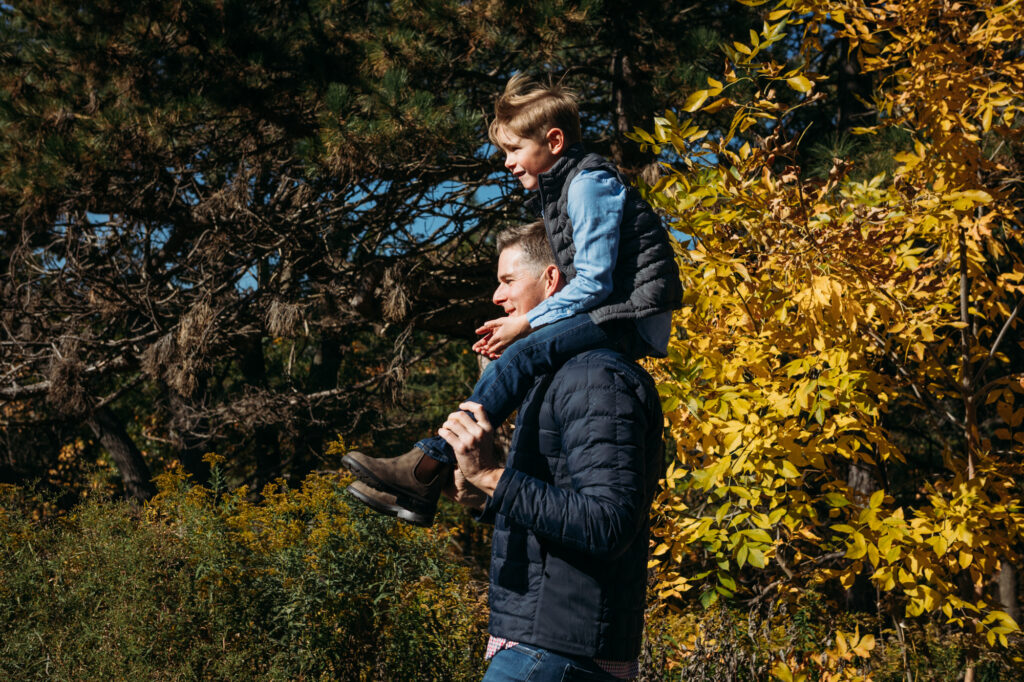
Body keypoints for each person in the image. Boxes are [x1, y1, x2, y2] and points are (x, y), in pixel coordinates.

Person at [343, 73, 680, 527]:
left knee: (523, 350)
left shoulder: (587, 185)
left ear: (554, 141)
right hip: (613, 309)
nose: (506, 162)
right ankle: (427, 477)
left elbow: (597, 282)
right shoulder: (561, 191)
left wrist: (528, 323)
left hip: (630, 315)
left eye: (514, 149)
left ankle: (426, 466)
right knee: (518, 357)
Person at [349, 221, 664, 680]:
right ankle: (421, 484)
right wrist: (483, 496)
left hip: (556, 655)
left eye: (508, 280)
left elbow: (607, 525)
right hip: (544, 647)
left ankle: (419, 474)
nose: (497, 295)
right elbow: (565, 519)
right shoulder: (562, 378)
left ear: (551, 281)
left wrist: (493, 477)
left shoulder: (596, 378)